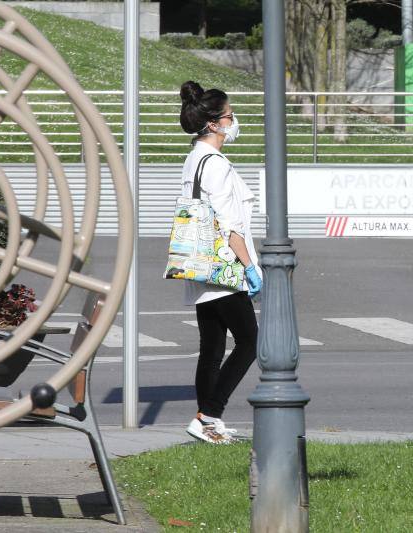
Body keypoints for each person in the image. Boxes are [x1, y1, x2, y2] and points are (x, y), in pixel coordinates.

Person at [178, 80, 262, 444]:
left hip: (199, 262)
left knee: (211, 348)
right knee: (249, 342)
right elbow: (230, 225)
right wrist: (249, 267)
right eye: (229, 116)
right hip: (224, 264)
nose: (233, 121)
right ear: (213, 124)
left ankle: (206, 424)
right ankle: (209, 413)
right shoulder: (217, 164)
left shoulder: (194, 157)